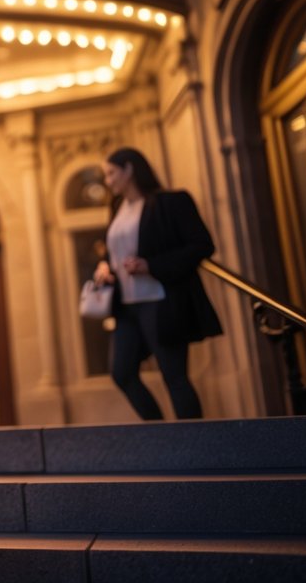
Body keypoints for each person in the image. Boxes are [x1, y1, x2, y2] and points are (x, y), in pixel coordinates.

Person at [94, 147, 222, 420]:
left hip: (161, 301)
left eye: (111, 173)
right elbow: (114, 249)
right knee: (122, 373)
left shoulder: (170, 202)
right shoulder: (117, 207)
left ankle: (197, 444)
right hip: (127, 306)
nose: (108, 181)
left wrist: (151, 265)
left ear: (129, 169)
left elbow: (202, 245)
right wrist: (106, 265)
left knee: (174, 375)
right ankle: (161, 435)